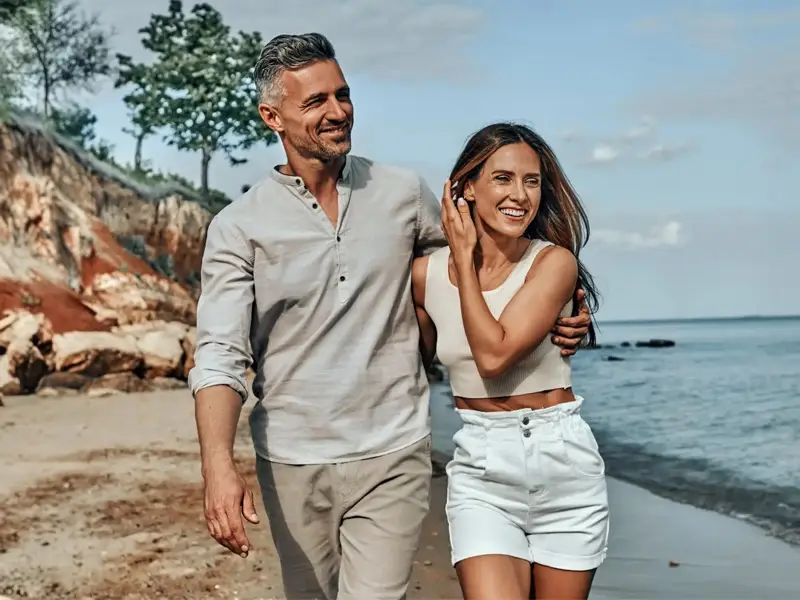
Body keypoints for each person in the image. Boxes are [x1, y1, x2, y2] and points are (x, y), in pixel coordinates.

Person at [189, 32, 593, 600]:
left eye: (343, 95)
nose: (338, 113)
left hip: (394, 450)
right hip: (292, 457)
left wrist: (566, 314)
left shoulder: (402, 193)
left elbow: (495, 256)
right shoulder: (238, 226)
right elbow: (220, 356)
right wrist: (218, 467)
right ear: (272, 116)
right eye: (316, 102)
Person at [411, 122, 609, 600]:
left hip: (562, 463)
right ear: (466, 187)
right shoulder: (423, 276)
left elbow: (494, 354)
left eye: (532, 181)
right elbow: (407, 361)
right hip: (482, 467)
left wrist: (462, 256)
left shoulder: (553, 263)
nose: (520, 194)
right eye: (502, 178)